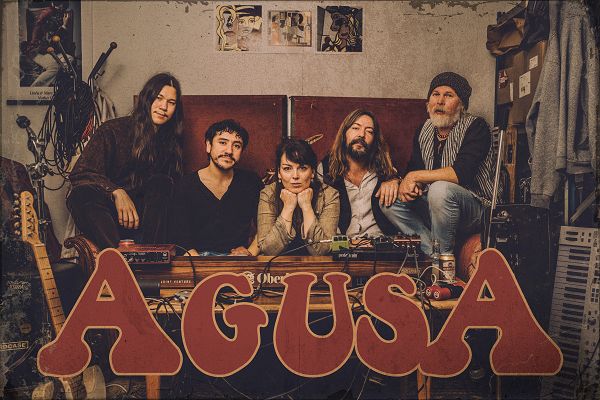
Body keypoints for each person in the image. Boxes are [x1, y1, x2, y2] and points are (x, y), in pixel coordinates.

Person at [381, 72, 497, 255]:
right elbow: (415, 168)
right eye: (435, 94)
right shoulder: (424, 129)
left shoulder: (477, 126)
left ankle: (442, 260)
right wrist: (407, 185)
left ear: (461, 105)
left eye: (448, 95)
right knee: (388, 199)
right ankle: (433, 253)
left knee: (440, 189)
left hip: (476, 208)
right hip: (436, 207)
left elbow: (461, 173)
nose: (440, 101)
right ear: (428, 103)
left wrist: (415, 177)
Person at [67, 73, 184, 249]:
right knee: (80, 194)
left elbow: (168, 194)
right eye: (159, 98)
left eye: (171, 102)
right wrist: (116, 191)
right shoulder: (113, 130)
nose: (164, 107)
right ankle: (117, 258)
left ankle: (151, 256)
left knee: (163, 182)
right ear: (146, 99)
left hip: (146, 223)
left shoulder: (171, 143)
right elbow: (80, 173)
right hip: (109, 218)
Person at [169, 120, 263, 256]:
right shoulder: (185, 185)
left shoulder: (251, 182)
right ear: (208, 145)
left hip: (238, 261)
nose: (229, 151)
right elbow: (180, 237)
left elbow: (264, 227)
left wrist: (249, 254)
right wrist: (199, 264)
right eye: (223, 142)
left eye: (236, 146)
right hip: (195, 260)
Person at [319, 109, 398, 239]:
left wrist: (395, 181)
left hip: (378, 244)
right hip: (342, 245)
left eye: (369, 131)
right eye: (355, 128)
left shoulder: (385, 170)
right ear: (344, 133)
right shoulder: (325, 169)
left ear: (375, 140)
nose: (362, 134)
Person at [258, 139, 339, 256]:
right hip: (276, 266)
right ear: (279, 173)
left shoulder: (329, 195)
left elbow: (322, 250)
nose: (295, 176)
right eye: (287, 168)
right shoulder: (268, 194)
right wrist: (288, 208)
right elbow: (268, 250)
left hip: (318, 265)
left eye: (302, 168)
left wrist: (306, 207)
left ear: (312, 172)